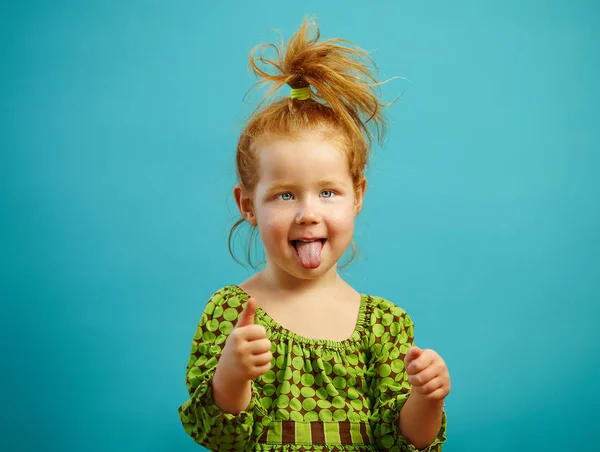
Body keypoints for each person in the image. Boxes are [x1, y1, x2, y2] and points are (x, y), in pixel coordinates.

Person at [178, 17, 450, 451]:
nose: (308, 213)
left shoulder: (384, 326)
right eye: (285, 196)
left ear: (357, 196)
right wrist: (231, 373)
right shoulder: (232, 314)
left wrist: (427, 398)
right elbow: (220, 436)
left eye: (327, 192)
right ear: (247, 205)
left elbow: (405, 443)